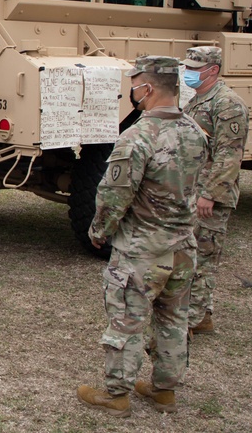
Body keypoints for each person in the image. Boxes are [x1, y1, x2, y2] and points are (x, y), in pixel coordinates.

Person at [78, 56, 208, 417]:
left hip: (142, 250)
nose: (131, 91)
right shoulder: (195, 132)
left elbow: (114, 195)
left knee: (127, 321)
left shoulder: (137, 136)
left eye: (134, 85)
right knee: (173, 319)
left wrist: (98, 232)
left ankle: (116, 394)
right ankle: (164, 390)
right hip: (183, 246)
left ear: (146, 88)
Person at [181, 46, 249, 335]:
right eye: (189, 67)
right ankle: (198, 314)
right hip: (192, 191)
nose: (190, 73)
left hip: (210, 195)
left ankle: (194, 320)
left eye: (196, 69)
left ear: (213, 70)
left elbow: (229, 155)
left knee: (203, 258)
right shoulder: (197, 101)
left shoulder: (228, 104)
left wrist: (210, 193)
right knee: (188, 255)